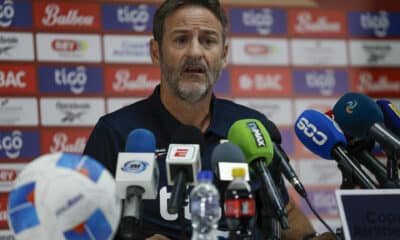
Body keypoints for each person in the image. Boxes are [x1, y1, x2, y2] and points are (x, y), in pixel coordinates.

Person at [84, 0, 328, 239]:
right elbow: (81, 226)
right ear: (156, 52)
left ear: (223, 55)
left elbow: (282, 211)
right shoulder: (115, 133)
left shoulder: (250, 127)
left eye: (208, 41)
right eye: (181, 40)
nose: (195, 52)